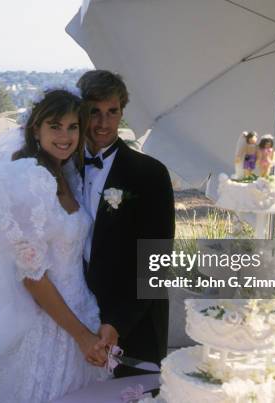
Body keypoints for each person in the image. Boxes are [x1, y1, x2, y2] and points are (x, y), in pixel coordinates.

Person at [0, 90, 107, 403]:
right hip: (49, 324)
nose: (65, 136)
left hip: (83, 310)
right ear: (36, 130)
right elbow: (33, 277)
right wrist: (81, 336)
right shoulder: (26, 180)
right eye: (55, 126)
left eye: (73, 127)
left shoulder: (67, 175)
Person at [76, 70, 175, 377]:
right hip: (76, 319)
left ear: (122, 112)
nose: (104, 124)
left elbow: (156, 262)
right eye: (94, 112)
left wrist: (117, 322)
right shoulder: (63, 169)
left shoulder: (150, 173)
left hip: (134, 323)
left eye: (113, 112)